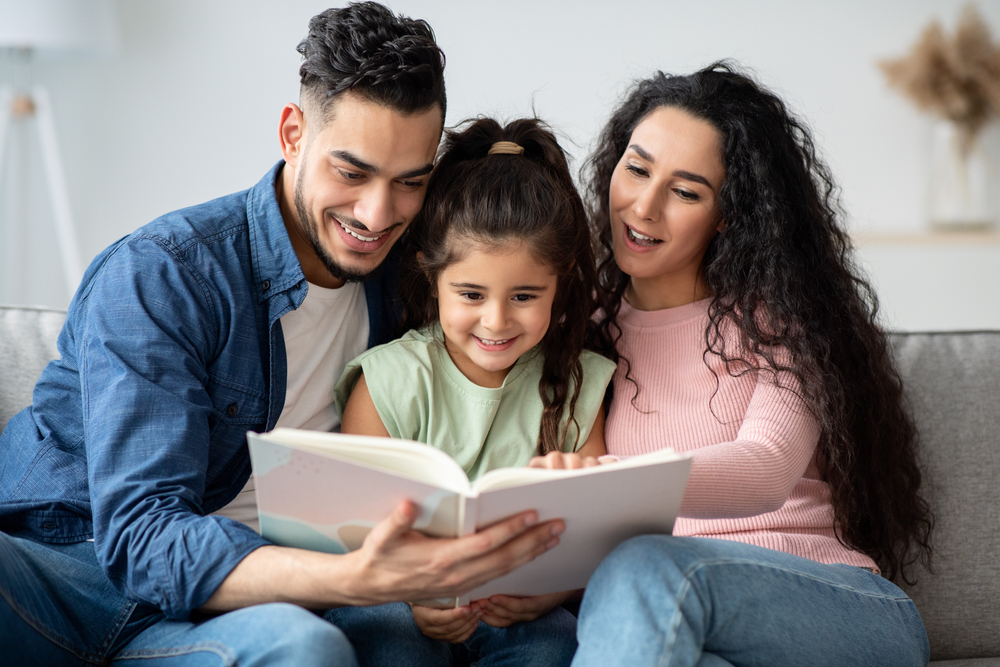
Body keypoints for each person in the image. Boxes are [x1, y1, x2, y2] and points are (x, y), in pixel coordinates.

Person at [0, 5, 565, 665]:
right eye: (351, 173)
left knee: (321, 645)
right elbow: (143, 538)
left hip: (247, 610)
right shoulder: (168, 273)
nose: (376, 214)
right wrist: (352, 579)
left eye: (409, 182)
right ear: (293, 134)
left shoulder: (414, 278)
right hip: (69, 567)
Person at [556, 62, 933, 666]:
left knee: (645, 565)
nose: (643, 206)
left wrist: (604, 479)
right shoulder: (583, 334)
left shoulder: (779, 319)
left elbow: (765, 468)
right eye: (637, 169)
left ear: (728, 213)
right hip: (676, 620)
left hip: (839, 611)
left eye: (685, 192)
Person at [327, 117, 617, 667]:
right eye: (471, 294)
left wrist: (549, 593)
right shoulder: (391, 379)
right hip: (399, 596)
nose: (496, 320)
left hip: (513, 605)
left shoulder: (578, 383)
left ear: (561, 280)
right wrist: (416, 598)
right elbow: (353, 533)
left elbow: (592, 530)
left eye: (525, 296)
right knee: (389, 638)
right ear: (431, 274)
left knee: (555, 642)